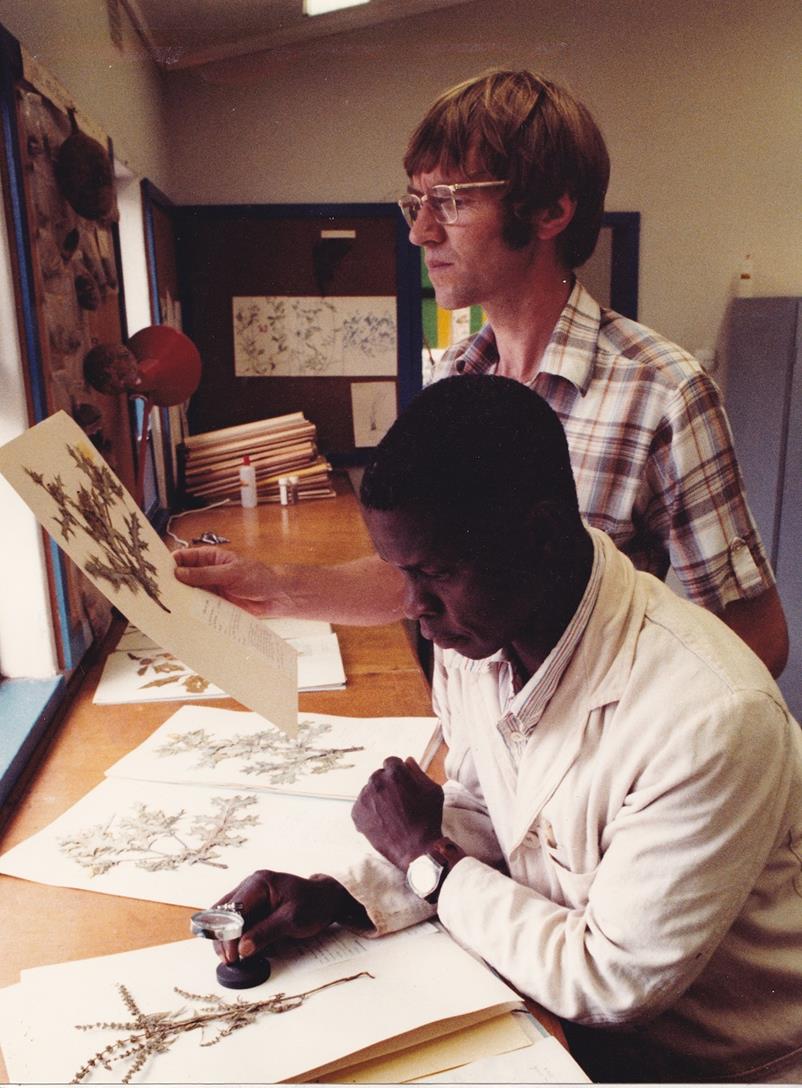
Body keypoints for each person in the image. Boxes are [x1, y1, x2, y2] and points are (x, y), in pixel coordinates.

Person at [207, 375, 802, 1084]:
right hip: (558, 1022)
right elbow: (492, 813)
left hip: (714, 1065)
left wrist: (425, 858)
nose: (416, 608)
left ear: (543, 535)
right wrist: (344, 892)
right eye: (402, 573)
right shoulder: (479, 634)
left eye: (438, 572)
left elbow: (610, 981)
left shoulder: (711, 715)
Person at [174, 68, 787, 677]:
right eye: (417, 202)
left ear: (550, 210)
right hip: (476, 752)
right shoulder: (454, 380)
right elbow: (413, 582)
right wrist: (271, 587)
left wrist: (617, 749)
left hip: (588, 756)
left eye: (452, 201)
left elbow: (751, 643)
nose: (419, 231)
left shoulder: (663, 393)